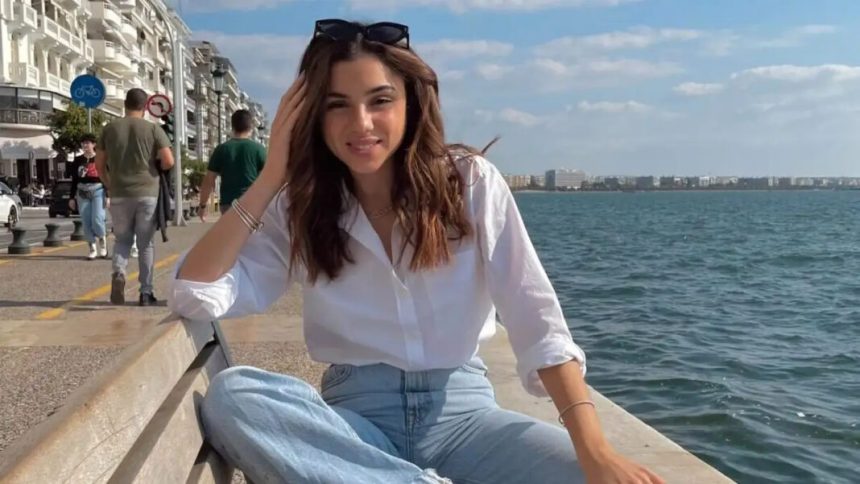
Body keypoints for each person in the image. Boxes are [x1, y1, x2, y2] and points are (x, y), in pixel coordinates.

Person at [169, 19, 664, 484]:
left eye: (380, 100)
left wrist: (595, 449)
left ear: (412, 103)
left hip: (467, 423)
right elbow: (194, 293)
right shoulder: (300, 206)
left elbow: (539, 322)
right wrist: (272, 176)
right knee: (235, 398)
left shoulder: (469, 184)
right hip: (356, 427)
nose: (361, 123)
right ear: (311, 116)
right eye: (337, 105)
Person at [95, 88, 174, 307]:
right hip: (147, 193)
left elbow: (99, 164)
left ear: (125, 104)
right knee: (145, 244)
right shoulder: (153, 129)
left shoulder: (109, 129)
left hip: (119, 193)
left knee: (122, 240)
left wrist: (109, 183)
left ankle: (119, 272)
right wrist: (155, 168)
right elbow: (169, 161)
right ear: (145, 106)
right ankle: (146, 292)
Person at [198, 109, 267, 221]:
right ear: (250, 127)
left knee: (230, 232)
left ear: (233, 126)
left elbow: (209, 180)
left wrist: (202, 206)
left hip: (228, 204)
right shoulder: (259, 150)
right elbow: (268, 179)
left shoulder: (222, 149)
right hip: (252, 203)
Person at [69, 133, 109, 260]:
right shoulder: (78, 160)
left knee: (97, 219)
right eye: (83, 143)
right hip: (82, 192)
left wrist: (108, 195)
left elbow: (106, 177)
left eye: (88, 143)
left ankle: (102, 242)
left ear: (93, 144)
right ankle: (92, 247)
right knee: (86, 221)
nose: (85, 145)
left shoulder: (100, 158)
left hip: (98, 190)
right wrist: (71, 197)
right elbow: (74, 180)